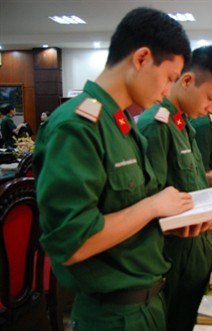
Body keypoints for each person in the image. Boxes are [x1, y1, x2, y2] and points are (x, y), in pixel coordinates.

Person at [32, 7, 199, 331]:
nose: (168, 91)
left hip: (146, 304)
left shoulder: (121, 123)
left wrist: (166, 222)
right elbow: (74, 242)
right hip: (113, 316)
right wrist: (152, 206)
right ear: (141, 58)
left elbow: (124, 213)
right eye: (168, 78)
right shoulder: (77, 126)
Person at [137, 45, 212, 331]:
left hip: (197, 251)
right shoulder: (157, 125)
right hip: (175, 256)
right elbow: (150, 200)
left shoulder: (184, 125)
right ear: (187, 81)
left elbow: (190, 179)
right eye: (210, 98)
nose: (210, 108)